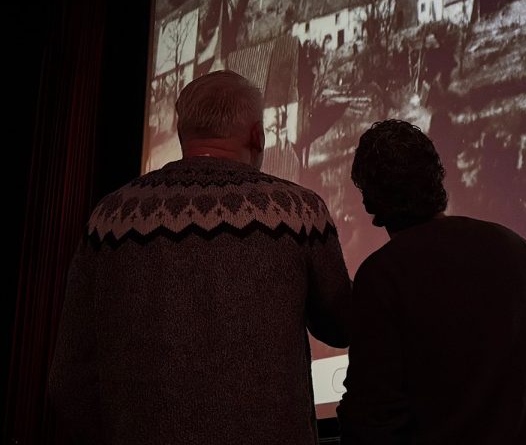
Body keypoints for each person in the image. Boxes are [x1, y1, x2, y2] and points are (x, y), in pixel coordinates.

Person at [49, 70, 352, 445]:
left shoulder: (110, 218)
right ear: (257, 134)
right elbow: (342, 326)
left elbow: (69, 377)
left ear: (182, 133)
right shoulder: (297, 211)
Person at [337, 119, 526, 445]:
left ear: (370, 204)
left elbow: (370, 418)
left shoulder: (380, 278)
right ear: (438, 179)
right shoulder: (513, 247)